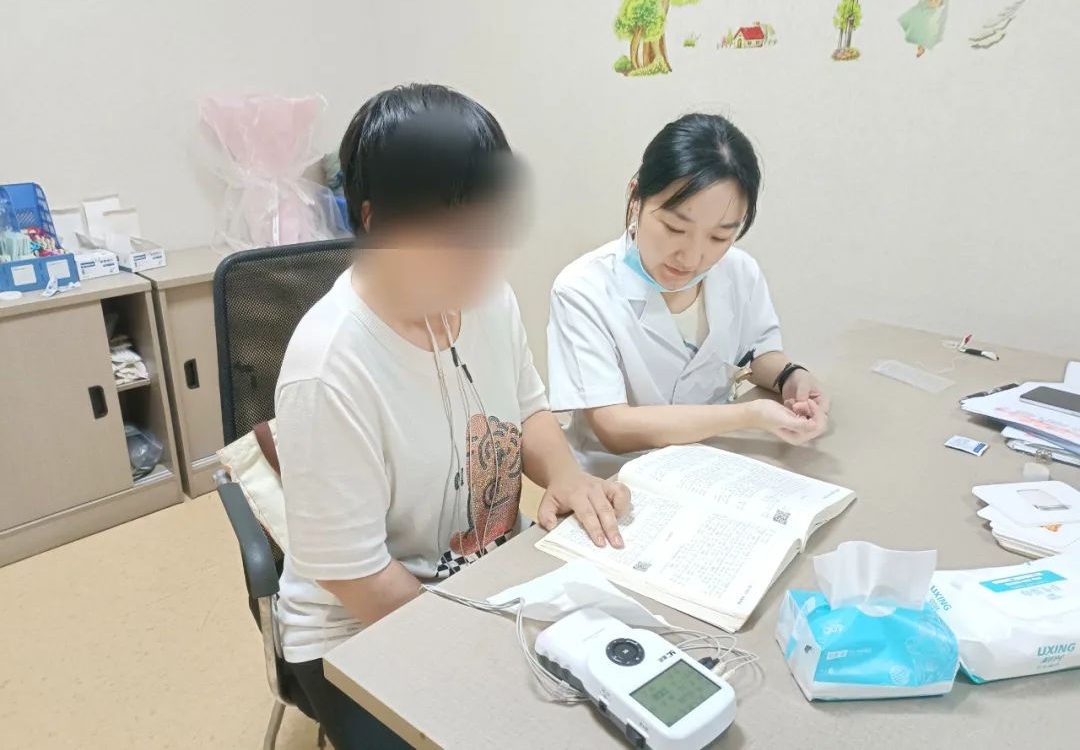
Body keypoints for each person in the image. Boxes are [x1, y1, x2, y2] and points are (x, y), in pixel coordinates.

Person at [274, 84, 630, 749]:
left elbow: (528, 408)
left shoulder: (487, 297)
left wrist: (567, 476)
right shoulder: (329, 368)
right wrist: (476, 646)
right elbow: (355, 576)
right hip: (358, 632)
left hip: (487, 582)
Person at [547, 112, 830, 478]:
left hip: (711, 464)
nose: (693, 258)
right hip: (616, 479)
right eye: (675, 228)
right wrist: (748, 414)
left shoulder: (739, 272)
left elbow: (759, 352)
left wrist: (791, 376)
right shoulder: (582, 289)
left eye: (719, 237)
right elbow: (614, 428)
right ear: (636, 197)